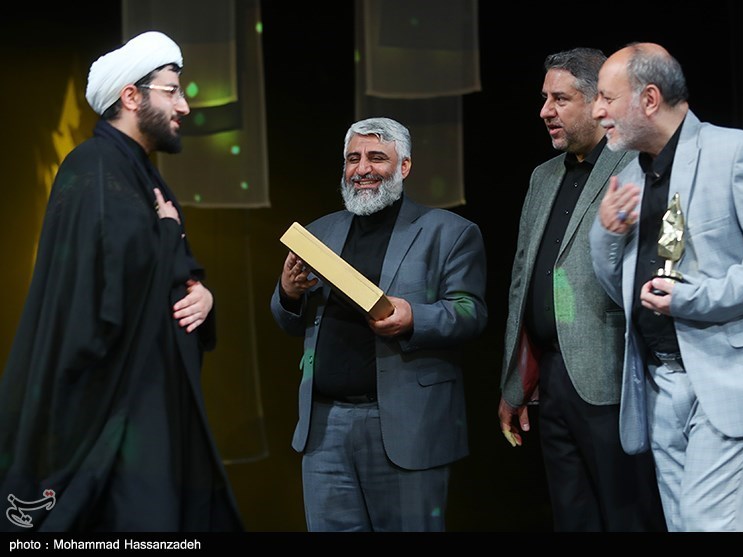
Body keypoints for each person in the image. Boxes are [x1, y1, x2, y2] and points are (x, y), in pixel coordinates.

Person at [0, 31, 243, 532]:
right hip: (109, 407)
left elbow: (168, 270)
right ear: (131, 96)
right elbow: (108, 282)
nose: (184, 106)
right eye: (172, 91)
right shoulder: (93, 166)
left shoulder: (139, 173)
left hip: (150, 398)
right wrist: (167, 233)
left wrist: (203, 296)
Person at [589, 42, 743, 531]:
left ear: (649, 99)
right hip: (662, 380)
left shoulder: (737, 152)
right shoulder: (632, 176)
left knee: (712, 523)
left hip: (730, 376)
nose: (597, 111)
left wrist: (693, 298)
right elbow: (618, 288)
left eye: (606, 97)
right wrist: (608, 234)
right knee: (685, 524)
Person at [271, 117, 488, 532]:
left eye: (376, 158)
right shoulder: (319, 233)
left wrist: (414, 318)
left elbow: (470, 313)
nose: (362, 169)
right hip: (325, 428)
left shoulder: (449, 232)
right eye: (353, 159)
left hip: (406, 425)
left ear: (404, 166)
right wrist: (288, 292)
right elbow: (287, 322)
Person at [497, 47, 664, 531]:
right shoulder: (542, 177)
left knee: (627, 517)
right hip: (551, 379)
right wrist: (514, 382)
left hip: (611, 377)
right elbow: (521, 281)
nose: (545, 111)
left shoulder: (636, 166)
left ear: (598, 102)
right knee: (572, 517)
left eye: (560, 99)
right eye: (544, 99)